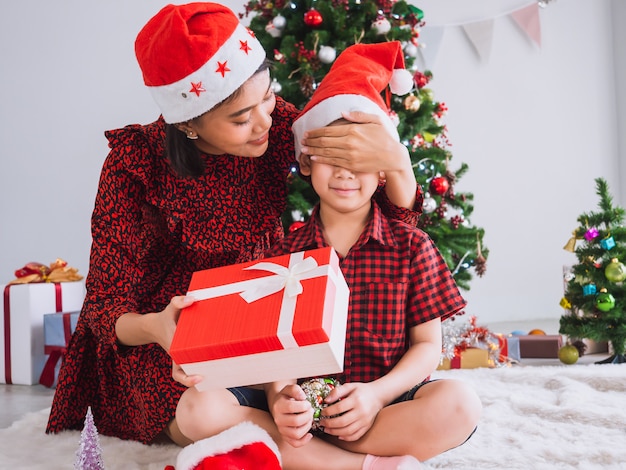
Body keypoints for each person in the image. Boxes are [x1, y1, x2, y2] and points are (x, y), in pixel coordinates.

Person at [45, 2, 420, 450]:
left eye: (267, 96)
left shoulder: (279, 124)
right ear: (188, 125)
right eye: (241, 118)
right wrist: (159, 328)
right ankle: (356, 462)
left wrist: (397, 161)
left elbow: (385, 211)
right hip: (169, 337)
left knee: (305, 394)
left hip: (265, 319)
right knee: (199, 409)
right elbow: (105, 306)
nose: (266, 120)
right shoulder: (135, 165)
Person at [172, 42, 482, 470]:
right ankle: (360, 466)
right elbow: (274, 350)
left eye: (359, 161)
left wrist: (376, 395)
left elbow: (428, 346)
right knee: (195, 409)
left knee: (459, 404)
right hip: (300, 415)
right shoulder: (285, 250)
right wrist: (281, 398)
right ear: (305, 162)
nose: (344, 173)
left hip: (381, 404)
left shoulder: (412, 247)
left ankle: (309, 459)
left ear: (382, 173)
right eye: (330, 157)